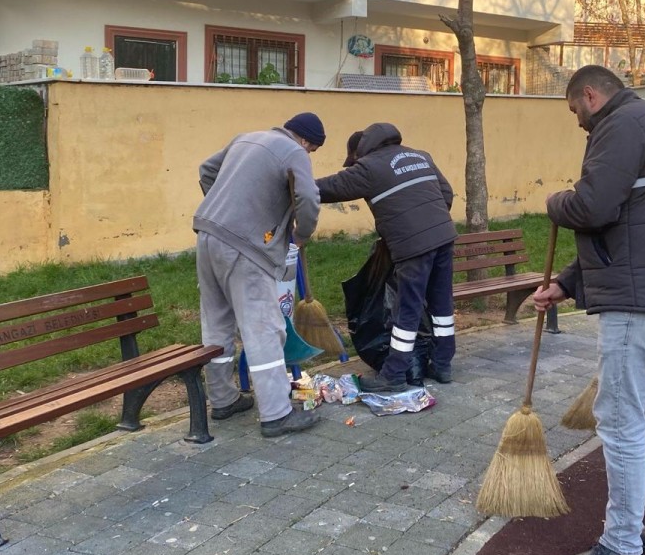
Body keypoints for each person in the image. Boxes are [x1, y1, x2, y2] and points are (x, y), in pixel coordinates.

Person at [533, 65, 645, 555]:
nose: (578, 123)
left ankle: (622, 545)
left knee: (621, 422)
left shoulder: (620, 124)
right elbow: (632, 225)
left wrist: (554, 202)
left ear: (589, 95)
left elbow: (594, 206)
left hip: (639, 303)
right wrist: (566, 281)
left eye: (574, 111)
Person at [193, 112, 326, 437]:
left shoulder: (245, 138)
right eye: (313, 150)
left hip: (207, 236)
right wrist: (302, 233)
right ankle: (277, 414)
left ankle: (223, 400)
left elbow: (206, 170)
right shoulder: (293, 151)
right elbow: (308, 198)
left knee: (217, 323)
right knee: (263, 327)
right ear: (307, 140)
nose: (309, 155)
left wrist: (230, 208)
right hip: (246, 247)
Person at [317, 122, 456, 393]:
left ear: (360, 153)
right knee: (441, 304)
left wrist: (290, 183)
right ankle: (442, 365)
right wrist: (430, 221)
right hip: (444, 236)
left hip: (413, 244)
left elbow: (330, 187)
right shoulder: (419, 155)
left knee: (408, 308)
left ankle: (393, 375)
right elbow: (446, 194)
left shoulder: (369, 167)